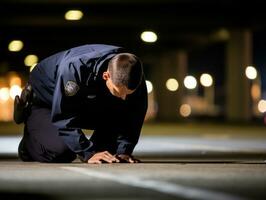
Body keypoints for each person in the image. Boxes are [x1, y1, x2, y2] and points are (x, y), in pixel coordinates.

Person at [14, 44, 148, 164]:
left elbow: (135, 115)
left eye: (129, 93)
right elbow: (63, 117)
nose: (124, 98)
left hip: (83, 102)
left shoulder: (133, 72)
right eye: (118, 91)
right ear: (106, 76)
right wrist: (87, 152)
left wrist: (123, 151)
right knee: (62, 152)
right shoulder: (74, 68)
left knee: (108, 155)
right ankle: (28, 145)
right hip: (46, 102)